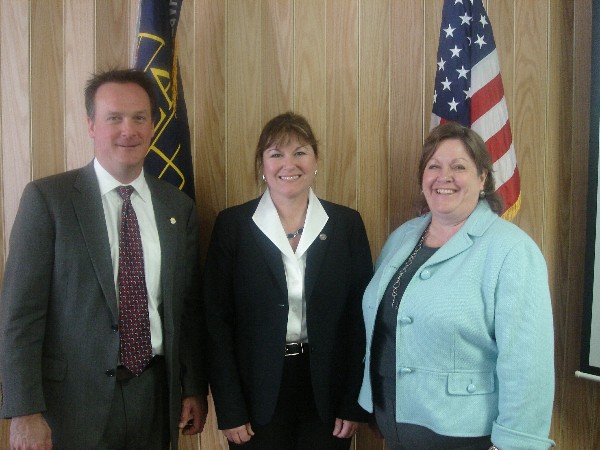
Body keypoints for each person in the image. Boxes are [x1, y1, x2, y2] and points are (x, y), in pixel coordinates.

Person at [0, 68, 208, 450]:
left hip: (156, 396)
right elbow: (20, 315)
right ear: (91, 125)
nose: (128, 130)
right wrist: (24, 411)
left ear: (153, 125)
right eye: (114, 118)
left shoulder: (177, 208)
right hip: (71, 404)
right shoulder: (49, 200)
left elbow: (188, 308)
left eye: (139, 117)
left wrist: (192, 387)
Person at [358, 122, 555, 450]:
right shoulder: (402, 238)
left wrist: (516, 444)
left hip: (466, 437)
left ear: (482, 178)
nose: (443, 176)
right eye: (433, 166)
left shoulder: (512, 251)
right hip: (393, 427)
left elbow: (527, 364)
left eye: (459, 167)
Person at [203, 111, 373, 449]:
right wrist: (230, 407)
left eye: (300, 152)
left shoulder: (346, 225)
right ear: (262, 165)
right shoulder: (233, 226)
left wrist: (353, 400)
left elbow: (360, 318)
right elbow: (216, 322)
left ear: (315, 161)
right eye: (276, 153)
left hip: (327, 392)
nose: (288, 164)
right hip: (256, 394)